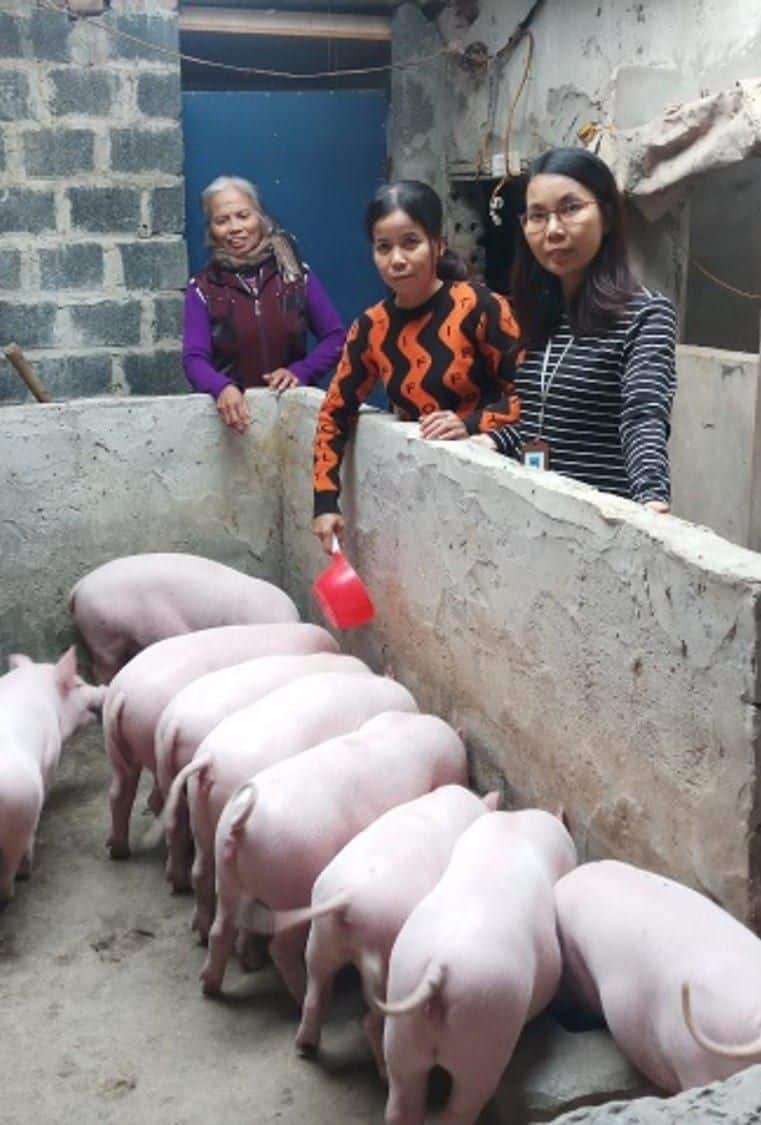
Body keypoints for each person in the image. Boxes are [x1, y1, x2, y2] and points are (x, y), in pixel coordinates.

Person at [312, 180, 521, 553]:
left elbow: (531, 398)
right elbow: (334, 414)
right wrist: (326, 502)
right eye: (384, 247)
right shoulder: (370, 327)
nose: (397, 259)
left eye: (411, 242)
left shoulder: (480, 306)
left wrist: (469, 423)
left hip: (495, 490)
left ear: (438, 245)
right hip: (421, 497)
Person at [473, 147, 677, 512]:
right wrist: (491, 440)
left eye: (570, 209)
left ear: (607, 216)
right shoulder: (540, 314)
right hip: (538, 516)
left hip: (600, 524)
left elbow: (643, 416)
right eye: (537, 216)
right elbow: (546, 423)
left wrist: (652, 496)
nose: (552, 230)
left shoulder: (646, 315)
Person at [183, 176, 346, 433]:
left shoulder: (294, 275)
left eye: (243, 215)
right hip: (232, 423)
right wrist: (221, 387)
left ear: (260, 218)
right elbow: (194, 359)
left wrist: (301, 372)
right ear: (211, 230)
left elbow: (336, 338)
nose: (235, 227)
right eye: (222, 220)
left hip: (291, 416)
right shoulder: (202, 288)